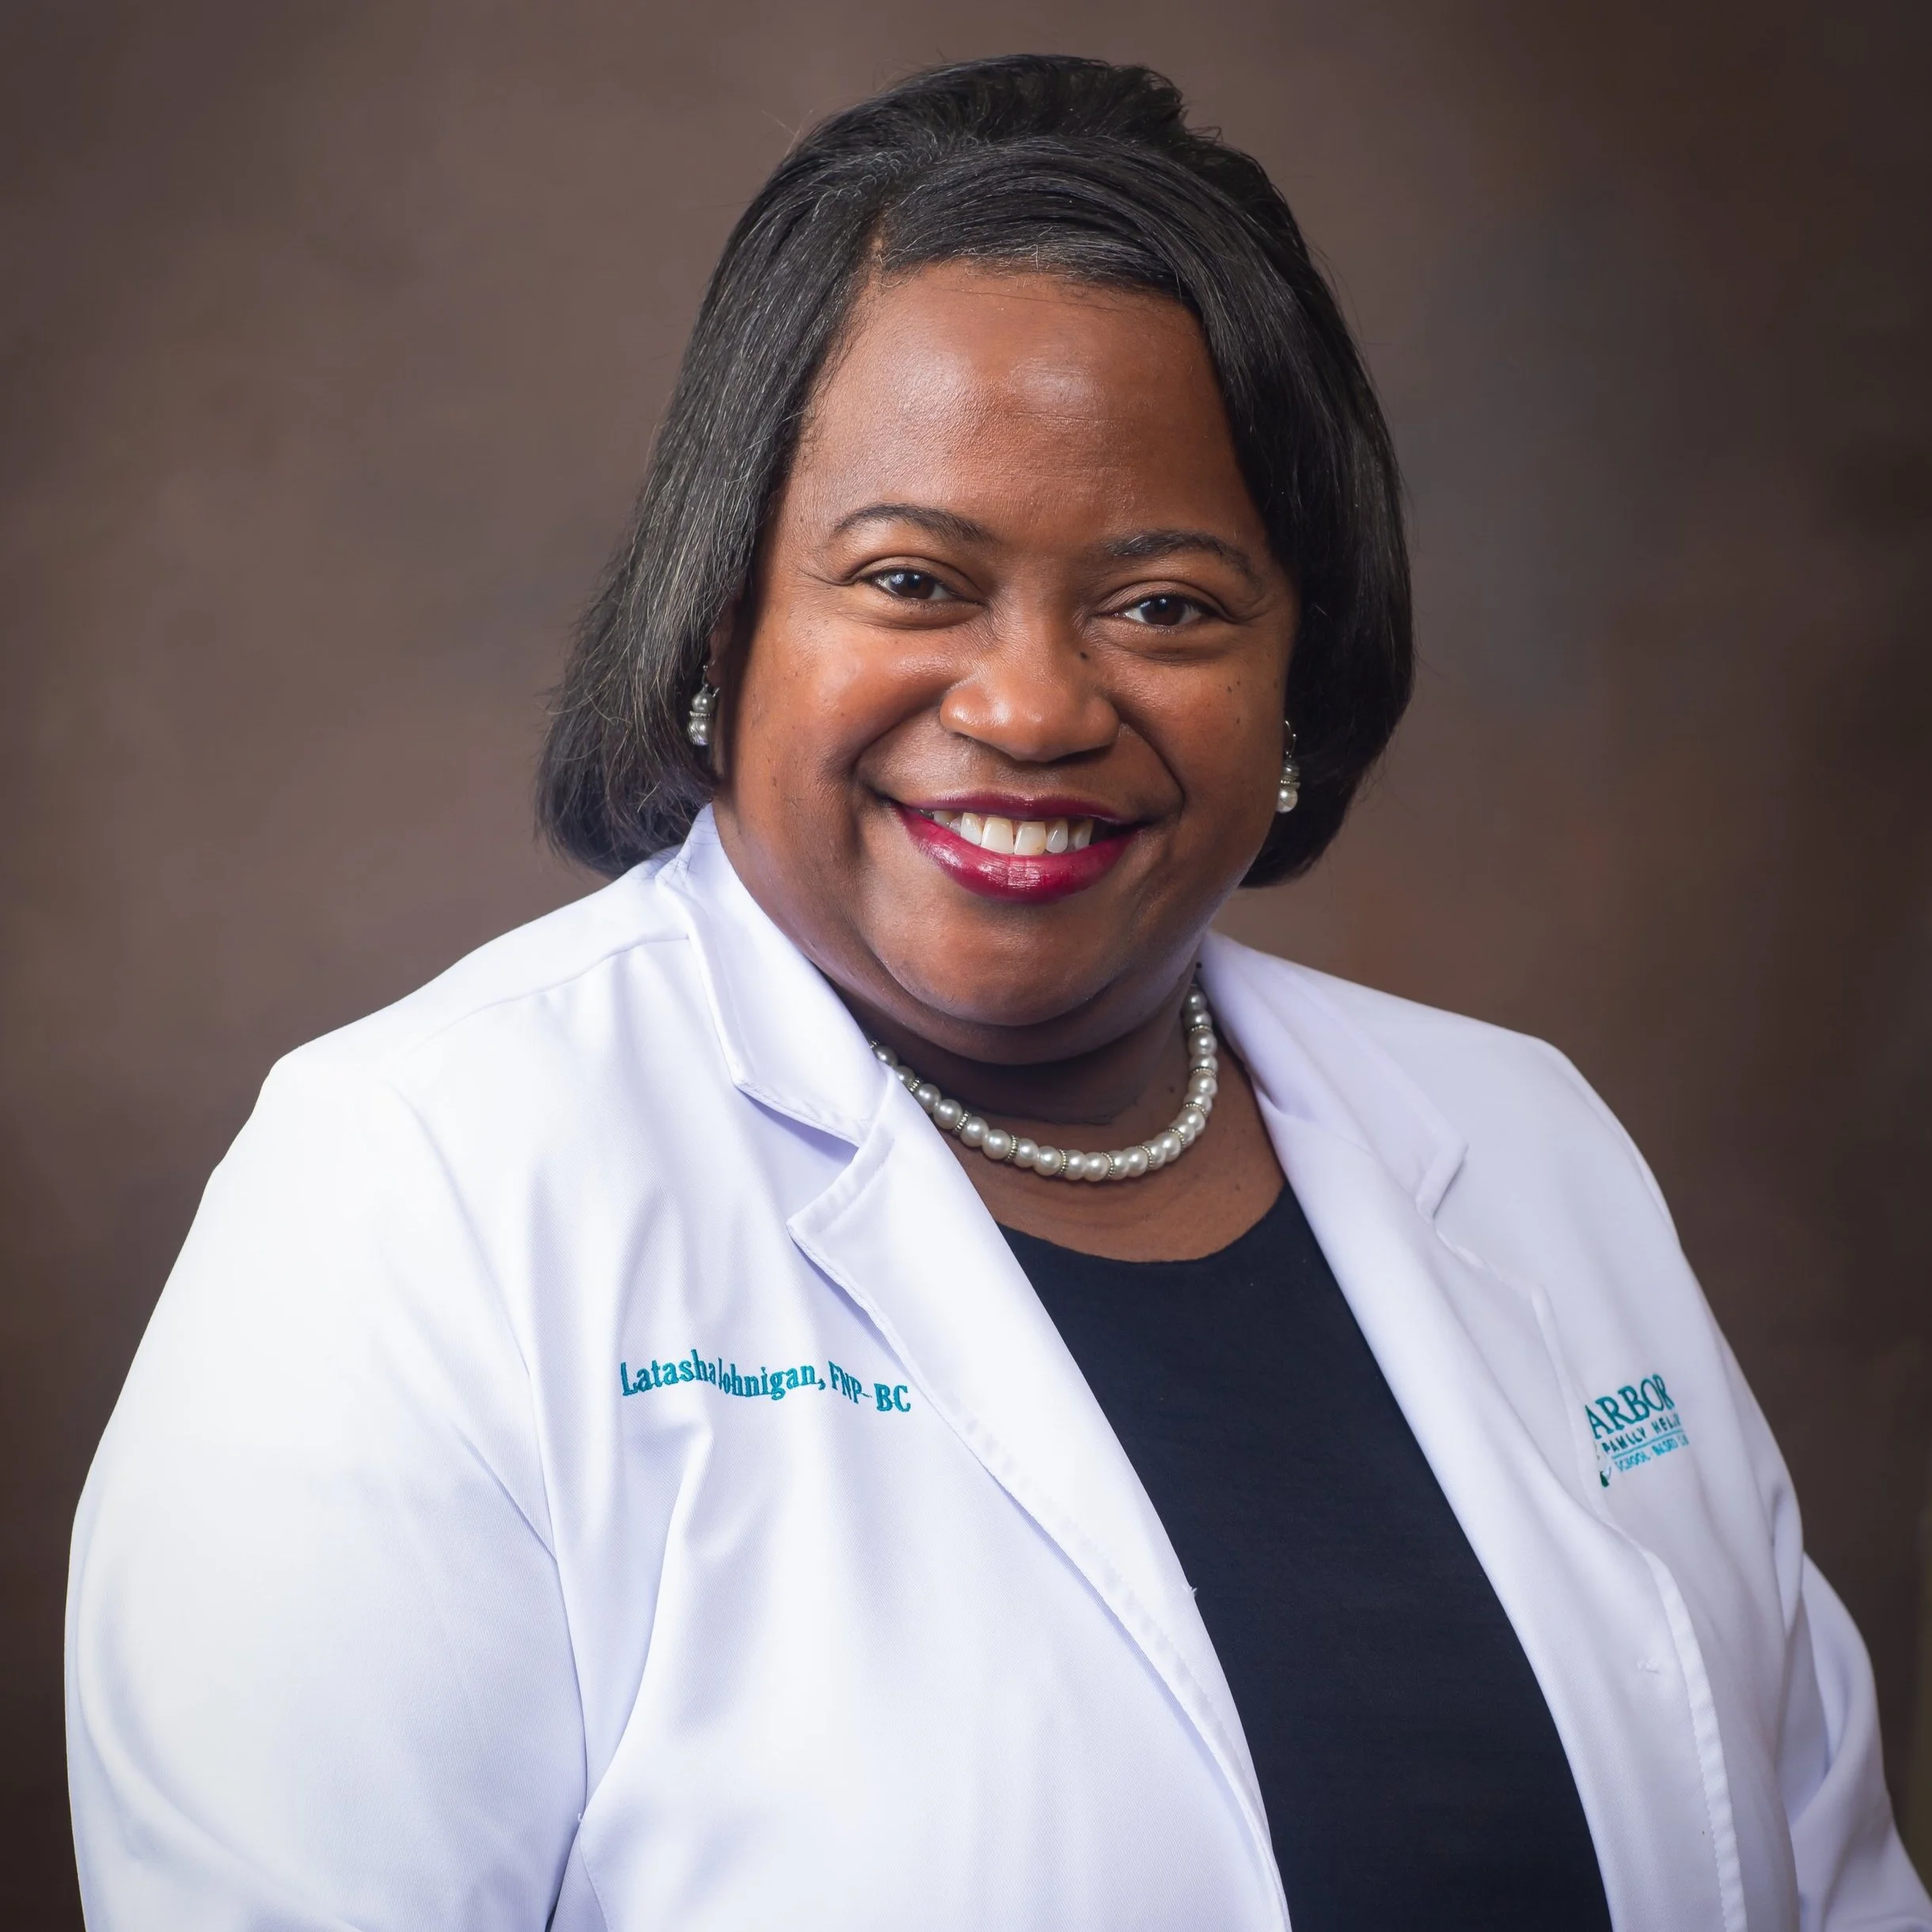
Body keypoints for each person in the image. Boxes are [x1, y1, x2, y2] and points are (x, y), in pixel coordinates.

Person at [65, 54, 1928, 1932]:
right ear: (722, 619)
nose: (1031, 707)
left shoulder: (1529, 1149)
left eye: (1166, 604)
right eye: (909, 579)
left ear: (1300, 666)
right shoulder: (420, 1184)